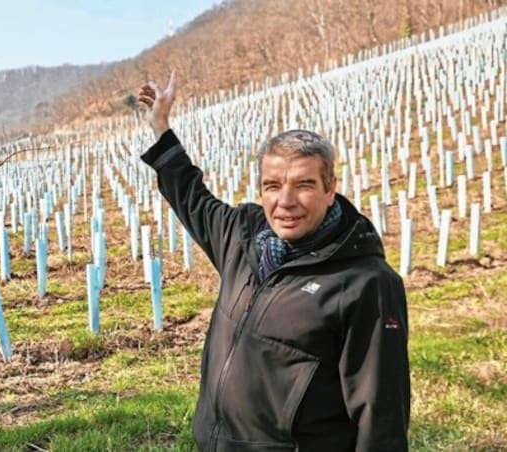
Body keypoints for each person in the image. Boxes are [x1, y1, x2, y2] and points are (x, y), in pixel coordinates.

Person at [137, 72, 410, 451]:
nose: (285, 201)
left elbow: (380, 413)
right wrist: (161, 129)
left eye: (304, 185)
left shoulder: (365, 282)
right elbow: (192, 198)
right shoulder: (243, 236)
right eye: (272, 186)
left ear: (330, 189)